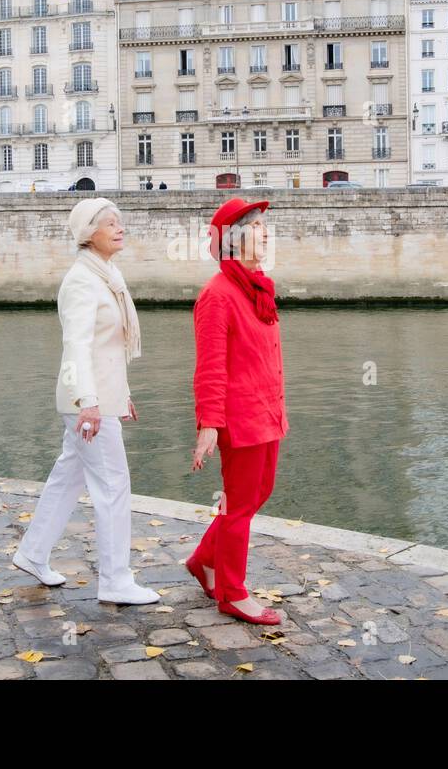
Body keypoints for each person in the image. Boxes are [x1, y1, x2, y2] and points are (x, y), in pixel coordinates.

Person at [12, 198, 160, 605]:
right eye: (110, 223)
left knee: (68, 478)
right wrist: (89, 403)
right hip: (86, 400)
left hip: (99, 397)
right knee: (114, 485)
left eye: (120, 221)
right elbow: (75, 346)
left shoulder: (108, 275)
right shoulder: (82, 280)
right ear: (87, 234)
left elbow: (108, 348)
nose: (119, 227)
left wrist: (121, 395)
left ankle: (32, 552)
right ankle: (115, 578)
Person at [185, 198, 288, 625]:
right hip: (240, 417)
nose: (266, 232)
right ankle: (232, 592)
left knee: (255, 495)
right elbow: (210, 366)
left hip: (266, 411)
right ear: (234, 238)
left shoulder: (255, 286)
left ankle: (204, 560)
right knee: (239, 506)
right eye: (258, 226)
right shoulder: (218, 295)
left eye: (266, 225)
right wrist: (209, 424)